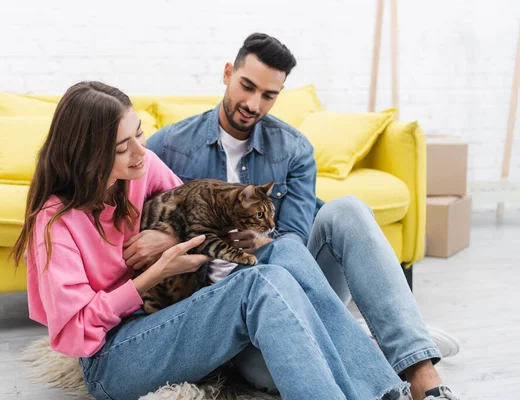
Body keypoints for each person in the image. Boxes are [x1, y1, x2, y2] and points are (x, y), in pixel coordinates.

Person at [11, 81, 413, 400]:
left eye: (140, 134)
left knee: (285, 249)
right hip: (114, 358)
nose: (140, 152)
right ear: (86, 155)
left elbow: (188, 215)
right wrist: (150, 278)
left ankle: (387, 392)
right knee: (256, 284)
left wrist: (172, 235)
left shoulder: (141, 167)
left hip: (173, 317)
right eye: (122, 147)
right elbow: (75, 334)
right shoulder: (54, 223)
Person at [146, 33, 460, 400]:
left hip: (288, 281)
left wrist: (263, 242)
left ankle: (423, 377)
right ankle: (374, 340)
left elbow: (293, 240)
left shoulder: (293, 148)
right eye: (246, 86)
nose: (253, 104)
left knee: (348, 209)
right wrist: (175, 239)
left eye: (268, 95)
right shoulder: (167, 147)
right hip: (228, 316)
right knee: (282, 371)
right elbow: (138, 224)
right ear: (228, 73)